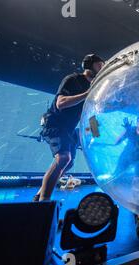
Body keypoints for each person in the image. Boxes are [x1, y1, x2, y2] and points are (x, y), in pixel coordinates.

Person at [34, 54, 104, 201]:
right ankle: (42, 204)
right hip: (55, 123)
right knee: (64, 158)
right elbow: (61, 103)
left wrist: (95, 133)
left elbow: (89, 113)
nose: (102, 69)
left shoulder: (94, 88)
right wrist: (87, 94)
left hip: (69, 129)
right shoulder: (73, 79)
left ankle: (39, 194)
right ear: (89, 65)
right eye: (99, 65)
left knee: (69, 162)